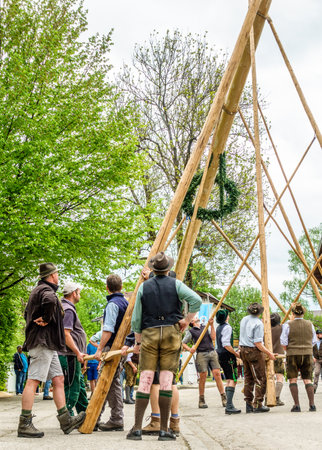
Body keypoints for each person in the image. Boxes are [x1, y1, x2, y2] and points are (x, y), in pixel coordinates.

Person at [126, 251, 202, 442]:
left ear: (153, 269)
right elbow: (197, 301)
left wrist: (137, 342)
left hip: (150, 333)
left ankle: (136, 429)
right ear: (168, 268)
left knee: (146, 378)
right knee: (167, 379)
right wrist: (186, 320)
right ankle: (164, 430)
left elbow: (136, 318)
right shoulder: (176, 284)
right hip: (171, 333)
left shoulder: (144, 287)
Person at [18, 263, 85, 438]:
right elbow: (48, 301)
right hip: (43, 342)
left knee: (58, 378)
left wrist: (37, 321)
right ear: (52, 275)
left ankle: (65, 420)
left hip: (48, 343)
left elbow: (27, 313)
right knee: (33, 380)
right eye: (56, 273)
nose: (58, 276)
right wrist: (47, 318)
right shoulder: (46, 291)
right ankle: (24, 422)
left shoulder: (38, 290)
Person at [92, 274, 128, 431]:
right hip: (121, 348)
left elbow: (107, 329)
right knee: (113, 383)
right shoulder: (126, 303)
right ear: (121, 287)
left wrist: (99, 349)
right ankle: (111, 417)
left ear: (107, 287)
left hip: (112, 348)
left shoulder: (113, 305)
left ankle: (113, 418)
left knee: (106, 383)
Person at [182, 316, 226, 409]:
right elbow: (183, 343)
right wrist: (190, 349)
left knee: (217, 373)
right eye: (194, 317)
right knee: (203, 376)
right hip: (201, 354)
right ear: (192, 321)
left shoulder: (205, 327)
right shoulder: (191, 331)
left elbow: (213, 338)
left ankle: (224, 398)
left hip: (212, 352)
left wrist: (211, 325)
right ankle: (201, 400)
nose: (197, 317)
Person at [58, 281, 88, 416]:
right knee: (72, 387)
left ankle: (87, 415)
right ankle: (67, 417)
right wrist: (77, 352)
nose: (79, 295)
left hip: (72, 355)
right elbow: (66, 334)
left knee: (80, 387)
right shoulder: (68, 310)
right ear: (73, 293)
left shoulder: (66, 307)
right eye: (79, 292)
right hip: (69, 354)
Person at [239, 302, 275, 413]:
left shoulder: (244, 319)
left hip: (243, 350)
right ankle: (258, 403)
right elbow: (258, 343)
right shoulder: (258, 323)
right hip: (253, 351)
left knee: (248, 377)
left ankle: (248, 403)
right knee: (260, 378)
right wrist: (269, 353)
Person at [281, 302, 317, 412]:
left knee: (293, 379)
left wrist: (289, 350)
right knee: (307, 379)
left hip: (292, 354)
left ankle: (297, 405)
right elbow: (314, 341)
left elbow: (283, 342)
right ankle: (312, 405)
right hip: (307, 354)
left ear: (292, 313)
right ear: (303, 314)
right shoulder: (310, 324)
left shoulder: (288, 325)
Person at [215, 309, 241, 414]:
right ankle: (229, 405)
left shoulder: (218, 328)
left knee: (228, 379)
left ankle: (229, 404)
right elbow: (226, 343)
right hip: (228, 355)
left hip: (221, 354)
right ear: (226, 317)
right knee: (232, 379)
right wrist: (236, 354)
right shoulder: (227, 327)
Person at [270, 312, 285, 406]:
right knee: (279, 377)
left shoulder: (266, 329)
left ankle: (268, 397)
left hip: (269, 354)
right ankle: (276, 397)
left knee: (269, 377)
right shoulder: (282, 328)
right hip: (279, 354)